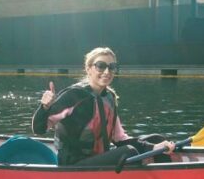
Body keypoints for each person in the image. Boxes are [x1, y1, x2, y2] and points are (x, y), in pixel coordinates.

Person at [32, 47, 174, 166]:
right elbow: (39, 129)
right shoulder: (73, 96)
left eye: (112, 67)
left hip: (99, 160)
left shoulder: (109, 97)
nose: (107, 72)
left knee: (157, 140)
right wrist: (44, 107)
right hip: (73, 165)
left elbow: (120, 139)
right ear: (88, 69)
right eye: (101, 66)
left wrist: (153, 147)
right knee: (128, 151)